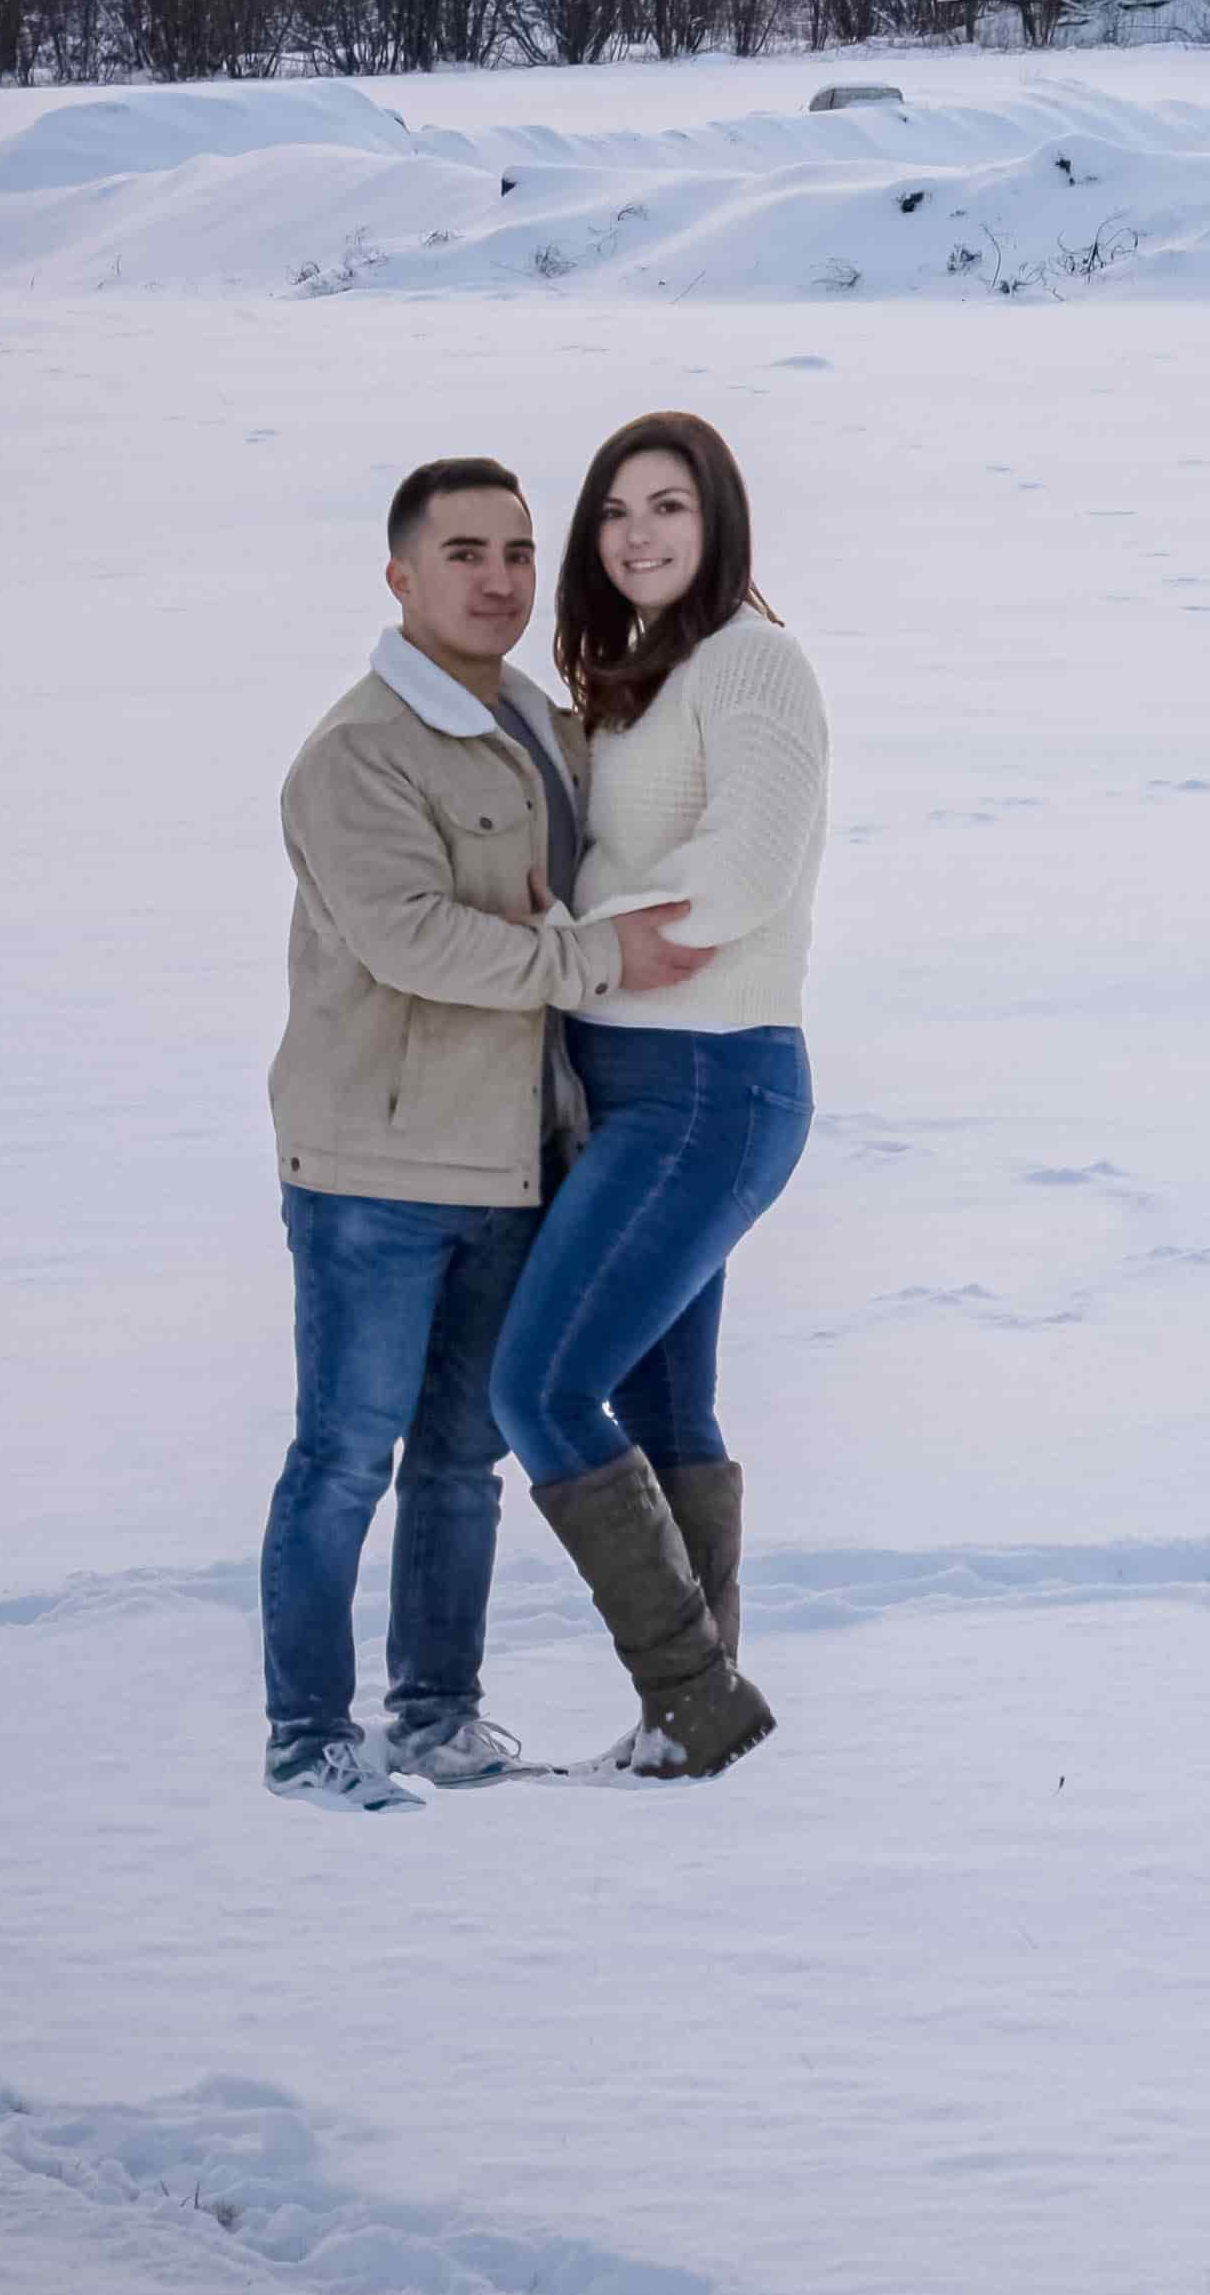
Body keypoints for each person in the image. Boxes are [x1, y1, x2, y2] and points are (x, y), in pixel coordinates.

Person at [263, 460, 714, 1812]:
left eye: (518, 550)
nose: (499, 577)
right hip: (375, 1170)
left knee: (464, 1461)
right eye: (463, 551)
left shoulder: (533, 720)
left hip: (516, 1163)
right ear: (400, 576)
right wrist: (587, 957)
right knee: (345, 1454)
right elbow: (410, 937)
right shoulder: (358, 753)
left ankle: (435, 1715)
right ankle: (306, 1735)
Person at [489, 408, 829, 1780]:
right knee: (666, 1407)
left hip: (706, 1078)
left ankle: (693, 1693)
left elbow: (738, 873)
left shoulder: (754, 662)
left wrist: (569, 946)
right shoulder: (648, 678)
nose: (640, 531)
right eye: (618, 509)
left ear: (719, 521)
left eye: (670, 506)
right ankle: (688, 1721)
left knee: (543, 1385)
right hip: (651, 1085)